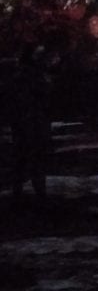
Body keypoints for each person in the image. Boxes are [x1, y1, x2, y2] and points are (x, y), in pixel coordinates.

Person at [6, 44, 52, 207]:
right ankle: (34, 194)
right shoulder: (29, 76)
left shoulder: (29, 75)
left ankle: (27, 193)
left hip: (31, 121)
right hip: (29, 121)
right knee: (30, 157)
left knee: (27, 157)